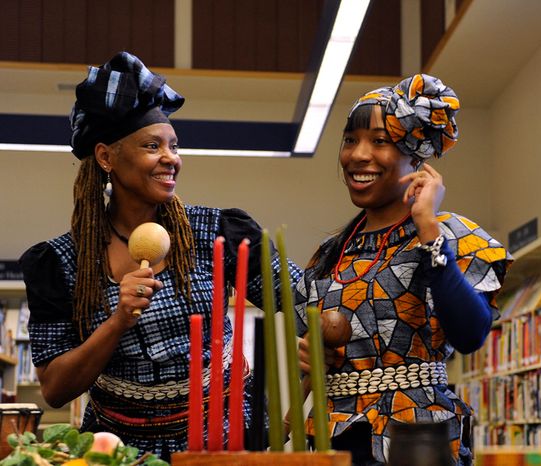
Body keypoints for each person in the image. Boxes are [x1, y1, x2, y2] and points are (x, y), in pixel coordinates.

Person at [18, 52, 301, 459]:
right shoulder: (59, 263)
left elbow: (301, 297)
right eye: (153, 146)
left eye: (174, 146)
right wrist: (118, 319)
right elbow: (56, 389)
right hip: (117, 449)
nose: (172, 158)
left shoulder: (219, 233)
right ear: (106, 157)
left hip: (220, 442)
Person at [293, 74, 512, 465]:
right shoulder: (330, 254)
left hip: (418, 438)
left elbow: (470, 334)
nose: (358, 155)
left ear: (416, 157)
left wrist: (428, 227)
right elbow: (310, 352)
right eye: (350, 140)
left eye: (379, 141)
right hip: (335, 439)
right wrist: (308, 355)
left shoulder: (454, 235)